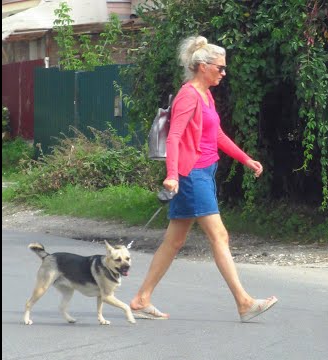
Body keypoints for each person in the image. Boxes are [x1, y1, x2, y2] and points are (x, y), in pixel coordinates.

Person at [130, 35, 278, 322]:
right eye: (219, 68)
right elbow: (174, 137)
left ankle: (141, 298)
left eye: (224, 68)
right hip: (191, 175)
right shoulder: (188, 95)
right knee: (219, 235)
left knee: (173, 242)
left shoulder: (206, 95)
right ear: (202, 66)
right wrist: (172, 175)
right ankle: (244, 302)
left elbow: (217, 135)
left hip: (204, 172)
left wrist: (245, 159)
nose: (223, 73)